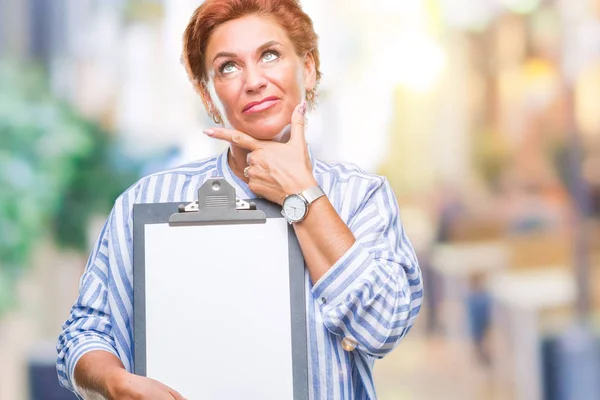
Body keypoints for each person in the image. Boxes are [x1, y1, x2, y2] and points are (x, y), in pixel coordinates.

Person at [56, 0, 423, 398]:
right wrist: (116, 382)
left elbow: (382, 327)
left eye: (270, 55)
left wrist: (301, 194)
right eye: (228, 67)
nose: (254, 81)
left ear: (309, 68)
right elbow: (85, 331)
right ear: (208, 96)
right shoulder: (146, 202)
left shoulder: (361, 197)